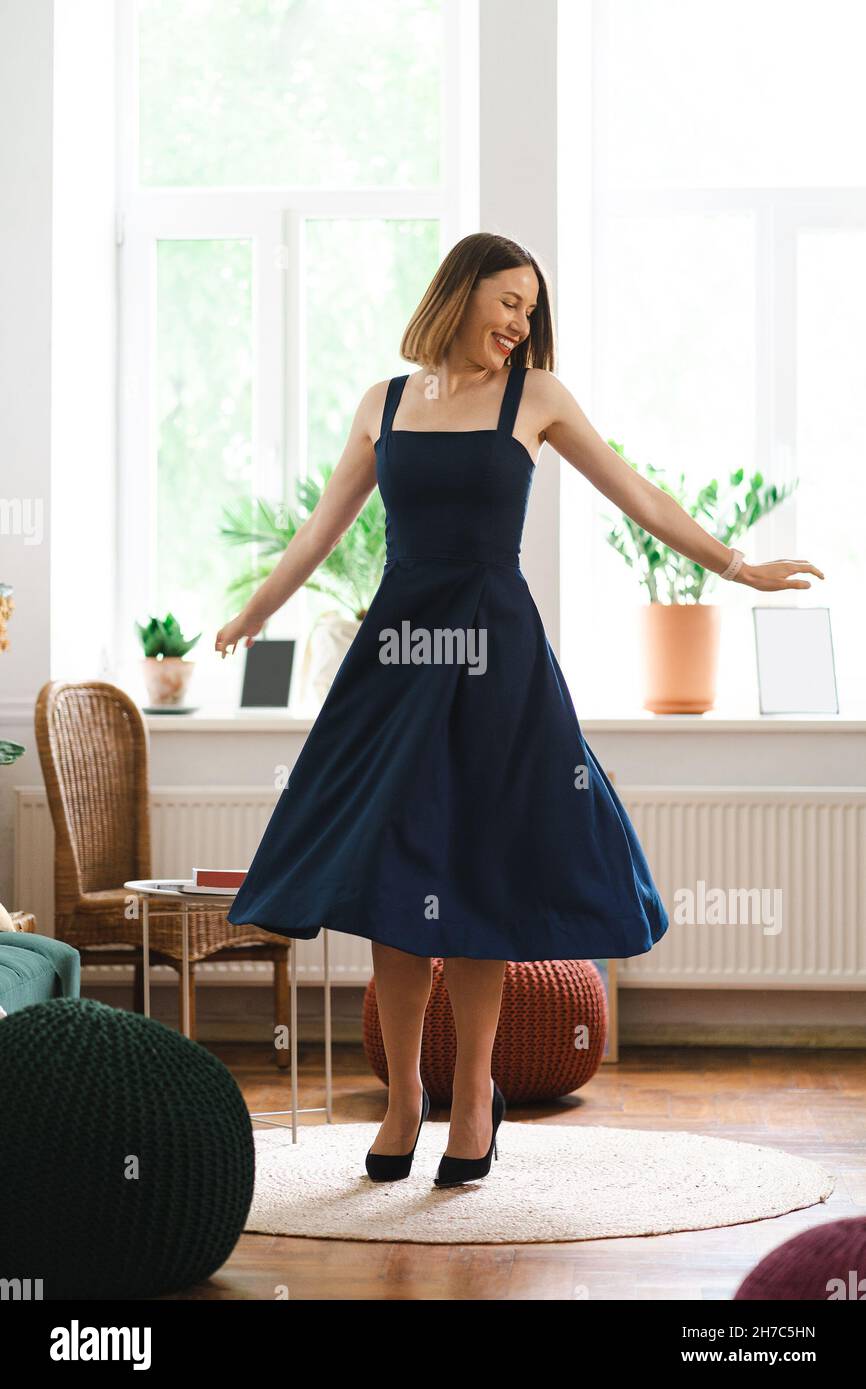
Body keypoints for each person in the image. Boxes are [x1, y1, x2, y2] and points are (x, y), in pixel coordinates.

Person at [215, 232, 823, 1188]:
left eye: (530, 309)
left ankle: (472, 1097)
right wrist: (254, 611)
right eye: (508, 301)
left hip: (498, 657)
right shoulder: (383, 404)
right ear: (459, 294)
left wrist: (738, 567)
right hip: (399, 655)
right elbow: (320, 529)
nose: (521, 322)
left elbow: (640, 497)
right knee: (398, 869)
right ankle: (407, 1095)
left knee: (479, 869)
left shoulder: (534, 397)